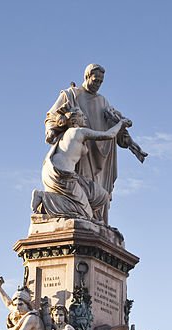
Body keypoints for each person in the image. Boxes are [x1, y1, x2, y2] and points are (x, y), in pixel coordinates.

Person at [44, 64, 147, 223]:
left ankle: (97, 224)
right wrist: (54, 127)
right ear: (86, 77)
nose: (98, 83)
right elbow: (52, 116)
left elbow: (116, 127)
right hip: (81, 154)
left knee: (99, 195)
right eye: (95, 79)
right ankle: (84, 220)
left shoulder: (103, 101)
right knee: (82, 191)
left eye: (101, 81)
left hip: (101, 156)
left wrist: (130, 143)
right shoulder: (71, 95)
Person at [35, 110, 125, 220]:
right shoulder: (79, 132)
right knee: (85, 214)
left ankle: (49, 200)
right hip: (63, 174)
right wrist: (121, 123)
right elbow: (109, 135)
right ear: (74, 120)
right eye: (82, 116)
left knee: (102, 196)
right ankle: (45, 199)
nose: (85, 118)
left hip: (53, 171)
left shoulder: (64, 135)